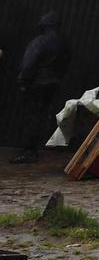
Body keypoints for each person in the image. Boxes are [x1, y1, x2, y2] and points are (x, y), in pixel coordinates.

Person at [11, 12, 71, 163]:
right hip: (53, 84)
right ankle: (35, 149)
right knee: (42, 115)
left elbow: (28, 63)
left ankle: (28, 151)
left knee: (32, 116)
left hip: (36, 84)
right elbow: (65, 63)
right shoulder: (64, 43)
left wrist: (23, 81)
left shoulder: (40, 41)